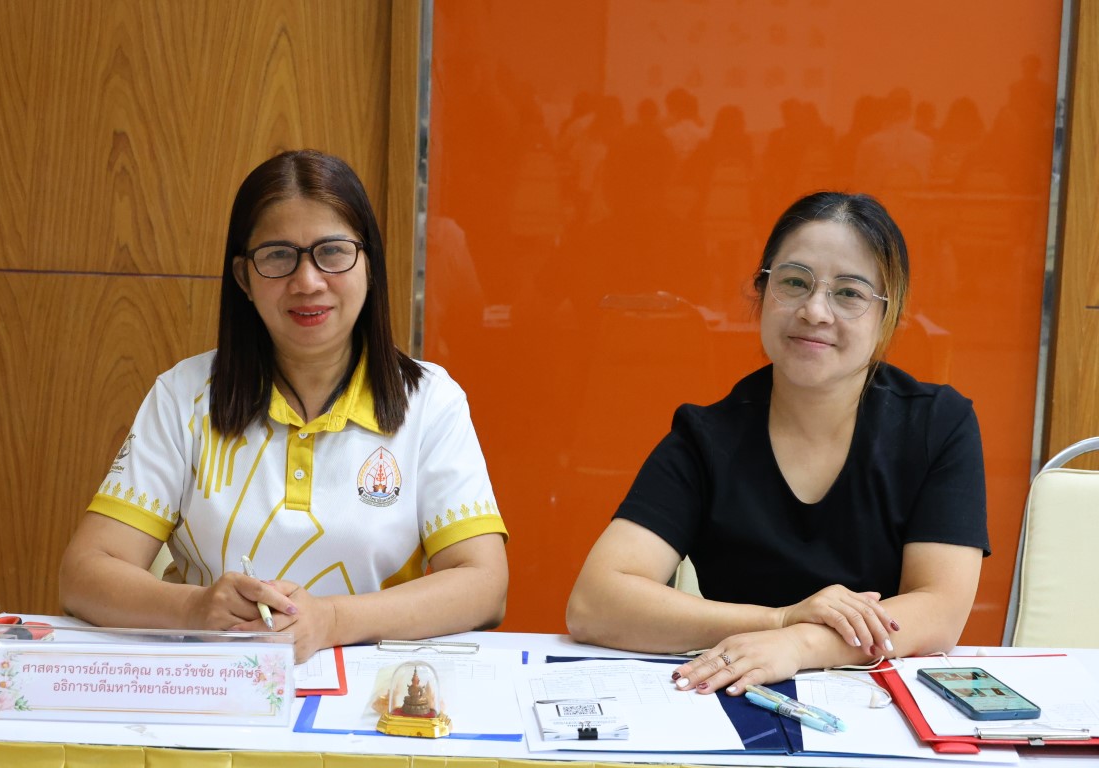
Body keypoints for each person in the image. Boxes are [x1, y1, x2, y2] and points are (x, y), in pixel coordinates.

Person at [60, 150, 509, 662]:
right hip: (212, 680)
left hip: (371, 694)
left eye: (332, 252)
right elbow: (84, 573)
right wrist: (194, 608)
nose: (308, 281)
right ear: (243, 277)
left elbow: (484, 584)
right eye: (278, 255)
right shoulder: (184, 395)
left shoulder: (430, 402)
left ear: (369, 264)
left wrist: (331, 621)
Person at [566, 191, 988, 695]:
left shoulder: (938, 424)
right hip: (737, 694)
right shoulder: (707, 438)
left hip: (885, 702)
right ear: (762, 291)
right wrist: (780, 620)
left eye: (849, 293)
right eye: (794, 282)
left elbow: (940, 611)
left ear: (888, 316)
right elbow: (594, 604)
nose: (815, 310)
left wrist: (801, 645)